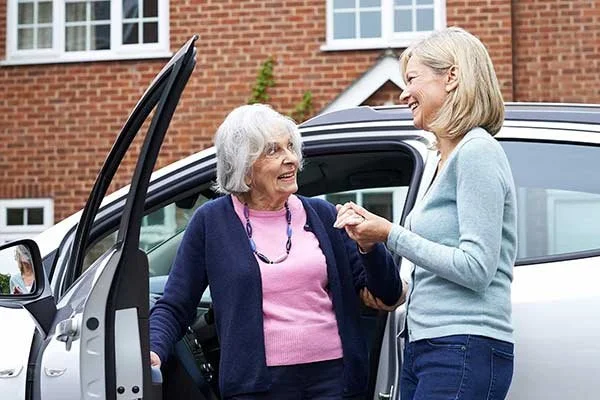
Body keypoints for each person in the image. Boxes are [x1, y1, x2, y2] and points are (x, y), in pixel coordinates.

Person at [149, 103, 404, 399]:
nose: (291, 159)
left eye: (291, 147)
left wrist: (369, 246)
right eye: (274, 151)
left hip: (335, 380)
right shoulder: (211, 222)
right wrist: (154, 348)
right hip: (256, 386)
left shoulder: (322, 215)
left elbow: (386, 293)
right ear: (244, 167)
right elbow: (176, 303)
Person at [334, 27, 517, 400]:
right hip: (428, 346)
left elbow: (476, 268)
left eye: (412, 79)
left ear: (451, 77)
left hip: (461, 346)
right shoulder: (441, 160)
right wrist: (373, 242)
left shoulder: (477, 152)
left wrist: (390, 233)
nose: (403, 93)